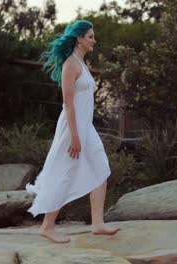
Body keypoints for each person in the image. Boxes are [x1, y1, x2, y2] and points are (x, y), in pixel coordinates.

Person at [25, 20, 120, 243]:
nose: (94, 40)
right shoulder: (71, 65)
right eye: (90, 36)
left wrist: (83, 132)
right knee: (64, 172)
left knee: (101, 168)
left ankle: (97, 223)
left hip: (86, 127)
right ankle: (47, 226)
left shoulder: (82, 64)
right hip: (73, 128)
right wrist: (75, 137)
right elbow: (68, 104)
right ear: (79, 38)